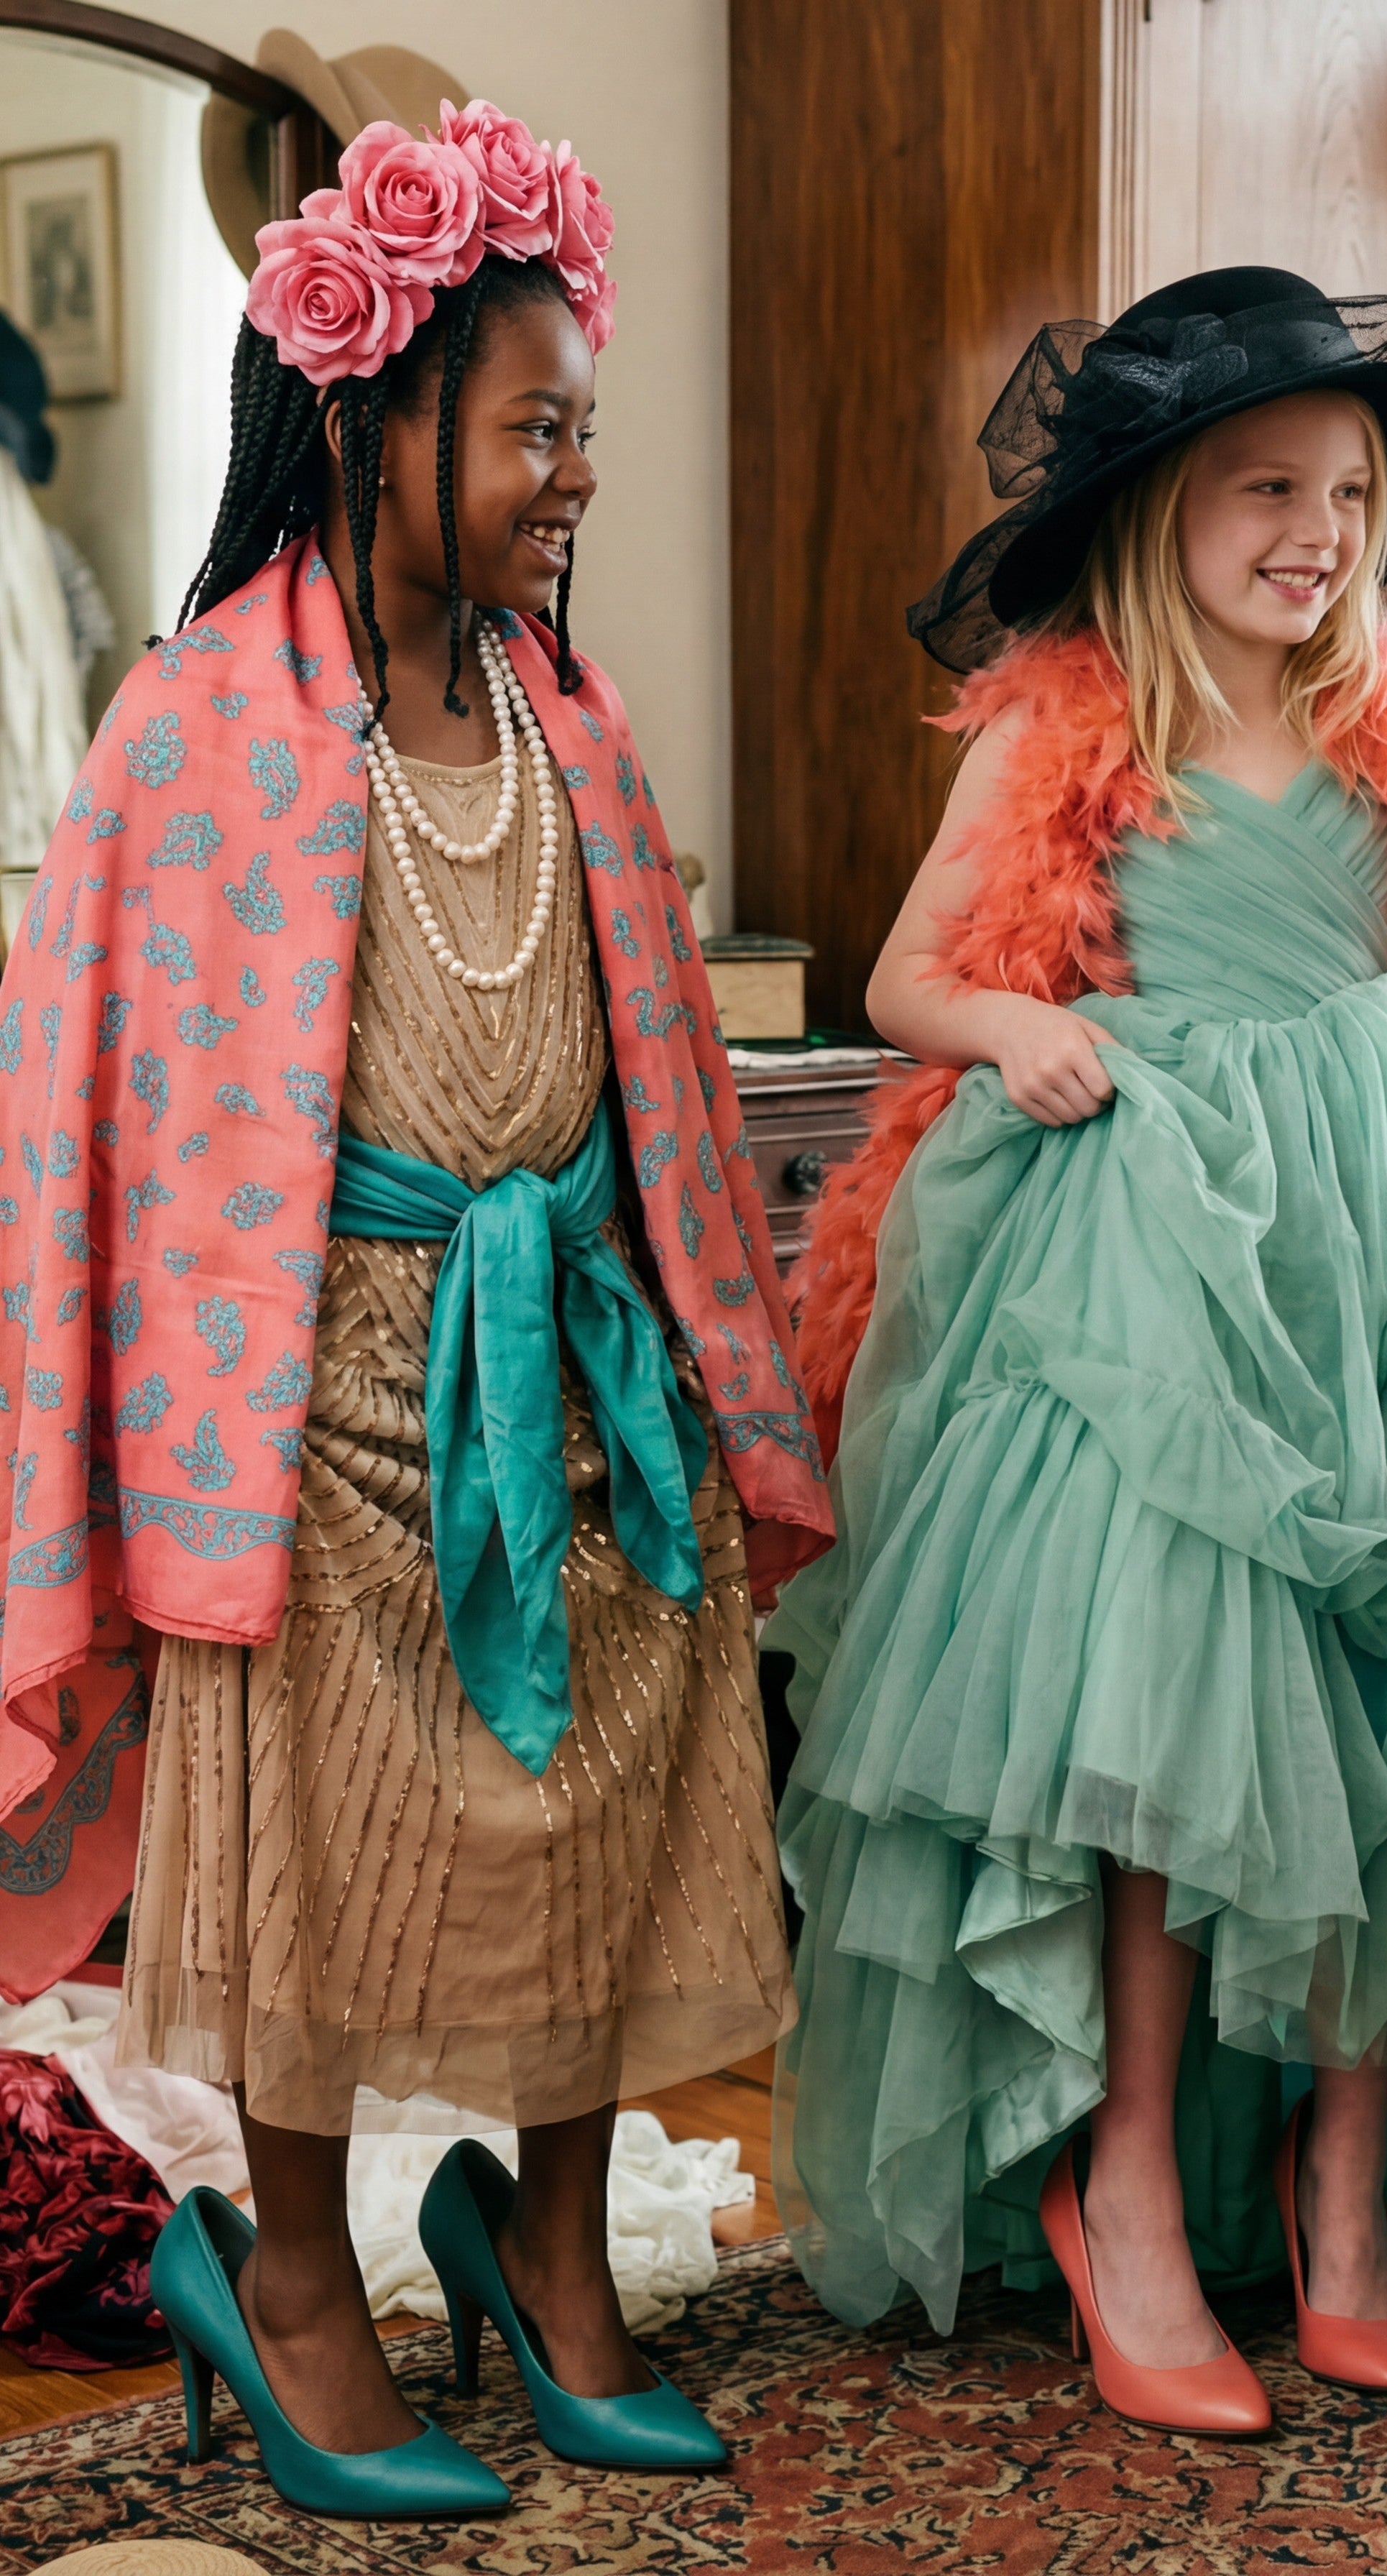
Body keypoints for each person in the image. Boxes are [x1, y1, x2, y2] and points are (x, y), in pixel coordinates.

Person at [773, 267, 1387, 2432]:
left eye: (1341, 493)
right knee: (1168, 1730)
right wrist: (1022, 1019)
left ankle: (1344, 2171)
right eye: (1262, 489)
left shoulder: (1385, 722)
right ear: (1156, 515)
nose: (1314, 528)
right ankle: (1124, 2182)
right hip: (1157, 1247)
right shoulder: (1067, 733)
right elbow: (899, 981)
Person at [0, 105, 829, 2517]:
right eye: (537, 428)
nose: (576, 473)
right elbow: (93, 1111)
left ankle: (549, 2250)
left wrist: (677, 1338)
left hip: (569, 1356)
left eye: (589, 428)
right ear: (374, 424)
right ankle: (281, 2274)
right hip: (315, 1392)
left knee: (609, 1798)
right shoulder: (195, 734)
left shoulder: (565, 715)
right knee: (322, 1843)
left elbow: (646, 1047)